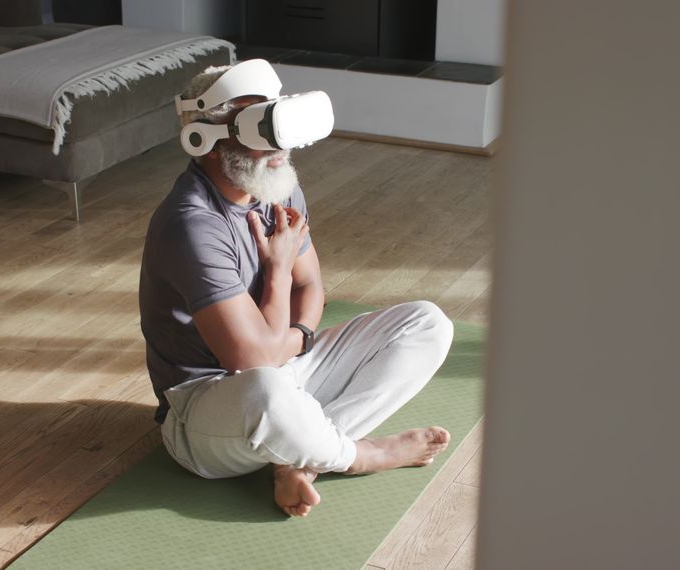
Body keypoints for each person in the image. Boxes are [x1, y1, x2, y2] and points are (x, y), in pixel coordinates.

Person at [138, 61, 455, 517]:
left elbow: (313, 285)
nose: (278, 146)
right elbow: (253, 362)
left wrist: (298, 338)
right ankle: (358, 455)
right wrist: (279, 271)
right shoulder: (192, 224)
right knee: (267, 389)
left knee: (427, 323)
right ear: (204, 140)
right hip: (207, 409)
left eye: (274, 119)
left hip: (285, 363)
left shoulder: (274, 181)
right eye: (256, 127)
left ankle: (301, 460)